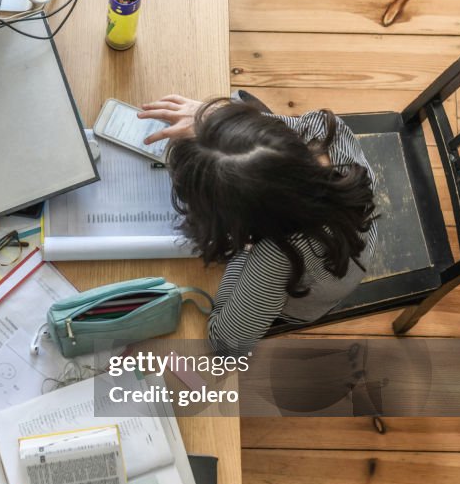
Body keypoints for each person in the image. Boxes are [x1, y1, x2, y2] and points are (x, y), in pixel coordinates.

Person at [138, 95, 378, 354]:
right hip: (354, 235)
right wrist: (214, 124)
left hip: (308, 296)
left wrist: (244, 251)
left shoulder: (277, 257)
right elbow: (279, 132)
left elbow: (226, 343)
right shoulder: (324, 129)